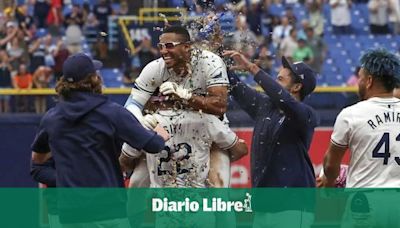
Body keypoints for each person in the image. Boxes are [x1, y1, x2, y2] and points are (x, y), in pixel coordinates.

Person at [30, 53, 167, 226]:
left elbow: (37, 166)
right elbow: (153, 145)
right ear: (94, 78)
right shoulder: (112, 113)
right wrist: (160, 135)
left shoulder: (51, 118)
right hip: (110, 212)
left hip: (71, 214)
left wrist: (68, 181)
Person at [124, 26, 235, 188]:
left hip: (207, 133)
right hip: (168, 133)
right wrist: (141, 120)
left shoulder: (209, 62)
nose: (164, 51)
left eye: (169, 45)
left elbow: (220, 106)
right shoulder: (155, 67)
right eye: (160, 46)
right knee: (136, 187)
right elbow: (132, 103)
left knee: (218, 188)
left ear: (187, 47)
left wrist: (187, 96)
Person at [223, 50, 318, 228]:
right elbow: (235, 86)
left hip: (293, 203)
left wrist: (252, 68)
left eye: (280, 80)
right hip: (264, 203)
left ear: (297, 87)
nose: (274, 83)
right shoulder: (265, 106)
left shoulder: (306, 114)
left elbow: (285, 100)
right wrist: (216, 60)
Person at [318, 48, 400, 228]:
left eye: (361, 78)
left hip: (365, 200)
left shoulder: (351, 114)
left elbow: (331, 164)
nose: (358, 82)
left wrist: (329, 183)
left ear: (369, 81)